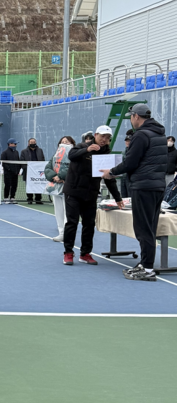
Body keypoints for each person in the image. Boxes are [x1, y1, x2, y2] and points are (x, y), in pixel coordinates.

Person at [102, 103, 168, 282]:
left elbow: (130, 162)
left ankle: (147, 268)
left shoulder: (141, 135)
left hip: (143, 186)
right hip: (157, 186)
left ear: (136, 116)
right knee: (150, 227)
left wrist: (111, 172)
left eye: (131, 116)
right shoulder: (160, 135)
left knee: (143, 228)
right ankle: (146, 263)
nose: (131, 120)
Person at [62, 125, 123, 266]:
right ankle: (68, 252)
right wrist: (87, 150)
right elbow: (71, 156)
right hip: (73, 192)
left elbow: (109, 178)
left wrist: (118, 198)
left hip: (91, 193)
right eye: (102, 136)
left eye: (107, 137)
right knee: (72, 222)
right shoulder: (81, 146)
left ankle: (85, 253)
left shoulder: (107, 154)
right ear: (96, 135)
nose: (104, 139)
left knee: (89, 224)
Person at [43, 136, 75, 242]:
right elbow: (48, 168)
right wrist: (54, 176)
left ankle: (67, 233)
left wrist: (61, 176)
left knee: (68, 211)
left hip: (69, 186)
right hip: (55, 187)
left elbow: (73, 168)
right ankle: (61, 232)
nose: (64, 143)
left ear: (72, 144)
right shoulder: (55, 156)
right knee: (58, 211)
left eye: (67, 142)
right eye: (62, 142)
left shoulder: (74, 155)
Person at [21, 138, 45, 204]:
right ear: (28, 143)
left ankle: (38, 199)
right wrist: (26, 168)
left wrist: (41, 168)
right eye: (31, 142)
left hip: (38, 172)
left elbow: (43, 159)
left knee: (38, 184)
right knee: (29, 185)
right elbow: (22, 161)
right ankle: (30, 199)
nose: (33, 144)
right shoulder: (24, 151)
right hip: (28, 172)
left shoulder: (40, 150)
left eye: (34, 142)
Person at [0, 138, 21, 203]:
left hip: (15, 173)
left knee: (14, 185)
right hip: (8, 173)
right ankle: (6, 198)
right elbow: (3, 163)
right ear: (10, 144)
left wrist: (18, 170)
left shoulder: (16, 152)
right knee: (7, 185)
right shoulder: (5, 152)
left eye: (16, 144)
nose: (16, 145)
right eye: (15, 143)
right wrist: (9, 169)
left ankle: (12, 197)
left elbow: (18, 161)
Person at [118, 131, 133, 198]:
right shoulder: (123, 152)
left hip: (130, 177)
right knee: (124, 196)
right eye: (126, 141)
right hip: (123, 177)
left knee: (130, 196)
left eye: (129, 141)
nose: (127, 142)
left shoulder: (134, 151)